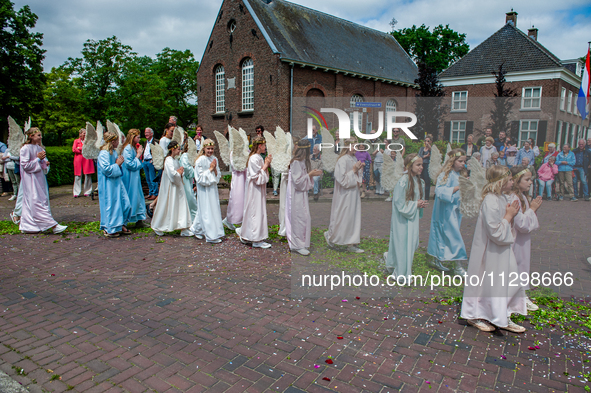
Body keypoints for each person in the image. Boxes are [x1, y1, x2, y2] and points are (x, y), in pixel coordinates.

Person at [460, 165, 526, 333]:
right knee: (486, 281)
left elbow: (505, 224)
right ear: (501, 181)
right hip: (490, 250)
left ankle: (502, 313)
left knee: (510, 280)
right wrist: (509, 216)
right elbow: (494, 231)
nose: (513, 182)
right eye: (510, 179)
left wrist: (512, 214)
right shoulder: (490, 200)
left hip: (503, 249)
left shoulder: (503, 197)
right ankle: (474, 314)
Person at [384, 153, 427, 283]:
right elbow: (399, 203)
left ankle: (393, 262)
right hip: (402, 220)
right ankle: (401, 274)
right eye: (418, 165)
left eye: (422, 165)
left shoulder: (419, 181)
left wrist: (419, 204)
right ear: (409, 166)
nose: (421, 167)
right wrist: (415, 204)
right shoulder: (403, 181)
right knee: (403, 243)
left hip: (411, 218)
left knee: (412, 243)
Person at [19, 127, 67, 234]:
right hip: (30, 179)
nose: (41, 137)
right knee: (35, 201)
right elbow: (25, 166)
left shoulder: (39, 148)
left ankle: (29, 226)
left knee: (40, 200)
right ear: (31, 136)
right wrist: (38, 159)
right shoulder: (25, 149)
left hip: (39, 178)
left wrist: (45, 163)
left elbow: (42, 163)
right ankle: (53, 225)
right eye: (38, 135)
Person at [427, 149, 468, 275]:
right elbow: (439, 191)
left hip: (455, 211)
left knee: (444, 236)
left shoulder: (459, 175)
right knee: (454, 237)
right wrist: (457, 188)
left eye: (464, 161)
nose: (463, 164)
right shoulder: (445, 175)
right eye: (460, 161)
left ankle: (435, 259)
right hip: (446, 212)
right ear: (452, 161)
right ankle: (458, 266)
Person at [509, 165, 543, 312]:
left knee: (522, 265)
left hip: (523, 240)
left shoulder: (522, 196)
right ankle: (518, 297)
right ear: (517, 180)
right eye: (527, 179)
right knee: (517, 265)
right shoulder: (514, 197)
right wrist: (533, 209)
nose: (530, 183)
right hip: (516, 239)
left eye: (531, 179)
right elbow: (520, 223)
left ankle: (521, 294)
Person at [324, 138, 364, 253]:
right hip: (345, 194)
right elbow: (341, 179)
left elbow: (356, 175)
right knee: (342, 216)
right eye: (354, 146)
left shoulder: (354, 158)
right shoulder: (342, 160)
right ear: (347, 146)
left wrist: (358, 170)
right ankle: (331, 236)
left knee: (352, 216)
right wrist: (354, 171)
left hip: (353, 193)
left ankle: (351, 243)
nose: (355, 148)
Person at [286, 139, 322, 255]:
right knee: (299, 218)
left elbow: (303, 179)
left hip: (301, 194)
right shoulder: (296, 162)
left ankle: (300, 243)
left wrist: (311, 174)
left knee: (304, 217)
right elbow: (297, 182)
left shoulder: (302, 162)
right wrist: (310, 174)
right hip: (296, 194)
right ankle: (297, 245)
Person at [236, 136, 273, 248]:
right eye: (264, 145)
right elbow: (256, 178)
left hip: (258, 190)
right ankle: (256, 240)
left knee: (257, 211)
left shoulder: (258, 157)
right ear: (259, 146)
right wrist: (266, 165)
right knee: (254, 212)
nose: (266, 147)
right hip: (254, 190)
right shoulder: (253, 159)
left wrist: (266, 164)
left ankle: (247, 234)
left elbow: (262, 175)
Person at [150, 141, 193, 237]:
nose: (180, 151)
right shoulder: (168, 160)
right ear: (173, 149)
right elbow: (172, 175)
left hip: (178, 187)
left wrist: (180, 172)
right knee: (167, 206)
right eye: (178, 149)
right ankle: (158, 226)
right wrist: (179, 172)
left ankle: (184, 227)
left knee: (181, 205)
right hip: (171, 188)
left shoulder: (175, 160)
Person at [97, 131, 132, 237]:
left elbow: (115, 167)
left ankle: (120, 223)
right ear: (113, 141)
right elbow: (106, 170)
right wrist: (117, 165)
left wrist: (119, 165)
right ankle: (110, 228)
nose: (119, 142)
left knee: (125, 203)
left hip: (117, 182)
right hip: (108, 185)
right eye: (117, 140)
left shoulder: (114, 152)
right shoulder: (103, 153)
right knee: (111, 205)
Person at [191, 139, 225, 243]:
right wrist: (210, 169)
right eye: (208, 148)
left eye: (212, 149)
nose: (210, 151)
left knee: (211, 208)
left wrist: (214, 170)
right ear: (204, 149)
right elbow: (199, 177)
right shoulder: (200, 160)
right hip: (203, 189)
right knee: (206, 209)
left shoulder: (214, 158)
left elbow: (218, 174)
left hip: (212, 188)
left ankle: (197, 229)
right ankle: (211, 235)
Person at [120, 129, 147, 227]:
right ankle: (127, 219)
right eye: (138, 137)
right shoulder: (127, 148)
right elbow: (129, 164)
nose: (139, 139)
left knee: (138, 195)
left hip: (134, 177)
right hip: (129, 177)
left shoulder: (131, 147)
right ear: (133, 137)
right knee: (131, 195)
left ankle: (139, 219)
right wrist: (138, 155)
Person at [222, 147, 247, 231]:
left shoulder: (246, 150)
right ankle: (230, 219)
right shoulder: (233, 152)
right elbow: (235, 165)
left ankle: (244, 221)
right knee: (237, 199)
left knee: (245, 199)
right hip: (238, 178)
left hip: (246, 177)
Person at [72, 128, 95, 198]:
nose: (85, 134)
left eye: (86, 133)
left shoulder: (89, 141)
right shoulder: (76, 141)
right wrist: (82, 150)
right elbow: (74, 149)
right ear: (80, 134)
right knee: (77, 176)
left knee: (88, 175)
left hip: (87, 159)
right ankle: (76, 192)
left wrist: (80, 148)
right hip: (78, 160)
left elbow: (89, 149)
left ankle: (87, 191)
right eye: (84, 133)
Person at [179, 139, 198, 221]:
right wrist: (195, 170)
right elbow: (186, 169)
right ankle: (193, 219)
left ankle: (192, 219)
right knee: (190, 199)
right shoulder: (185, 156)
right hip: (185, 180)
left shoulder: (190, 156)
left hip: (189, 180)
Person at [142, 127, 159, 200]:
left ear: (151, 133)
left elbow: (158, 152)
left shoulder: (155, 142)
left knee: (152, 178)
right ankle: (150, 192)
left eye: (147, 132)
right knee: (148, 178)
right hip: (145, 161)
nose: (146, 134)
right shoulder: (145, 142)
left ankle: (155, 193)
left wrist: (153, 159)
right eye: (145, 133)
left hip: (150, 161)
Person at [417, 135, 432, 200]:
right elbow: (419, 156)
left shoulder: (431, 149)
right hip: (421, 165)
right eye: (425, 141)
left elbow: (432, 156)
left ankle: (426, 197)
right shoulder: (422, 148)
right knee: (420, 180)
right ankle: (420, 195)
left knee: (427, 181)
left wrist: (429, 148)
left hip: (427, 165)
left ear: (431, 141)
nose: (426, 142)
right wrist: (425, 156)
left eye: (428, 141)